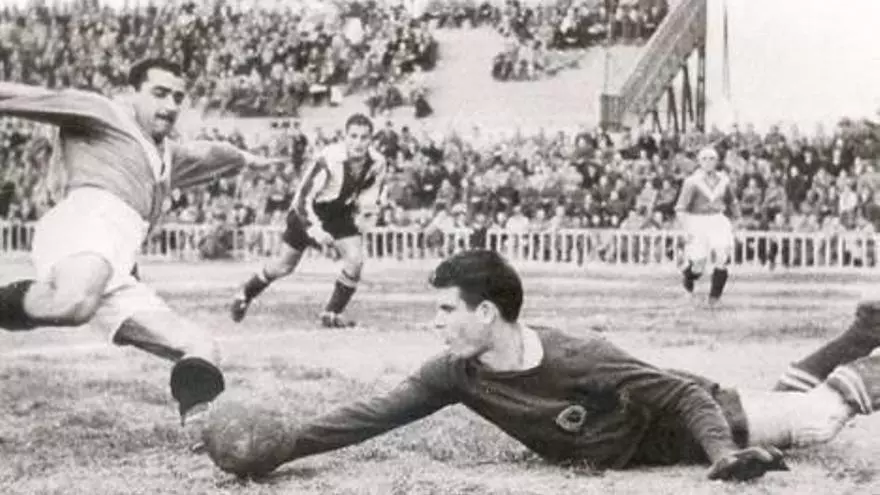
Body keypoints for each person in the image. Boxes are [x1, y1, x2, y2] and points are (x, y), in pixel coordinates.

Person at [203, 249, 876, 482]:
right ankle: (864, 331)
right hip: (653, 440)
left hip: (713, 417)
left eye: (445, 310)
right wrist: (284, 447)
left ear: (486, 313)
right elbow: (372, 415)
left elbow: (683, 397)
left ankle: (866, 364)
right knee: (796, 400)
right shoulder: (455, 372)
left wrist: (723, 454)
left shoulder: (580, 355)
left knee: (820, 420)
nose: (435, 322)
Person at [0, 58, 281, 426]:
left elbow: (211, 154)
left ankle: (201, 427)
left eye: (178, 97)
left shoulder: (166, 156)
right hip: (87, 222)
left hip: (119, 262)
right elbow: (19, 95)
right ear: (131, 93)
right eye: (159, 93)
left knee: (201, 347)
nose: (170, 105)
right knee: (74, 303)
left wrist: (248, 159)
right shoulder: (104, 112)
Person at [230, 113, 387, 328]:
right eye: (353, 136)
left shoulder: (378, 162)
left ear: (371, 139)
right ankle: (245, 293)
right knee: (284, 266)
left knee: (355, 259)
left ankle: (331, 313)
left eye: (364, 137)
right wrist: (316, 232)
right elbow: (302, 198)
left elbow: (371, 193)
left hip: (340, 212)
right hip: (308, 212)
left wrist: (365, 216)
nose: (358, 143)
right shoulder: (328, 158)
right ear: (345, 137)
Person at [675, 146, 741, 305]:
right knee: (698, 266)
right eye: (704, 159)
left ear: (717, 161)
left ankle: (714, 298)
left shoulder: (724, 180)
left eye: (712, 158)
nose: (708, 162)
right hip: (697, 221)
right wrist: (686, 229)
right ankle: (688, 276)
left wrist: (737, 219)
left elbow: (732, 201)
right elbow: (680, 208)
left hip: (717, 220)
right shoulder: (691, 182)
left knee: (722, 257)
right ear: (699, 161)